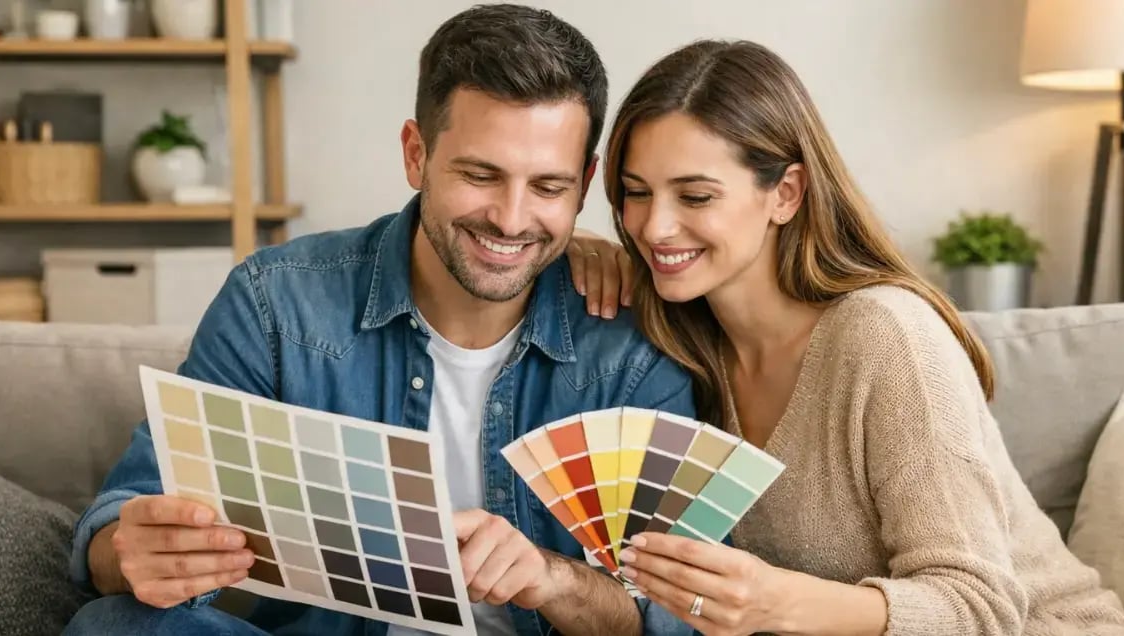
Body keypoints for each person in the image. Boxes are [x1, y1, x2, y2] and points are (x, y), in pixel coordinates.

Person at [62, 5, 691, 636]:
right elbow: (122, 519)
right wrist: (128, 549)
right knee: (115, 624)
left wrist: (552, 580)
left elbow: (666, 616)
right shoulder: (278, 304)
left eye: (548, 188)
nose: (510, 218)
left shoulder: (632, 347)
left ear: (584, 186)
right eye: (480, 175)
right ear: (416, 154)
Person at [598, 40, 1124, 636]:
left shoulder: (885, 337)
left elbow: (980, 608)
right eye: (636, 192)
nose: (653, 226)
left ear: (785, 193)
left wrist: (775, 602)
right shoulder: (682, 347)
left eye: (695, 196)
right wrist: (579, 250)